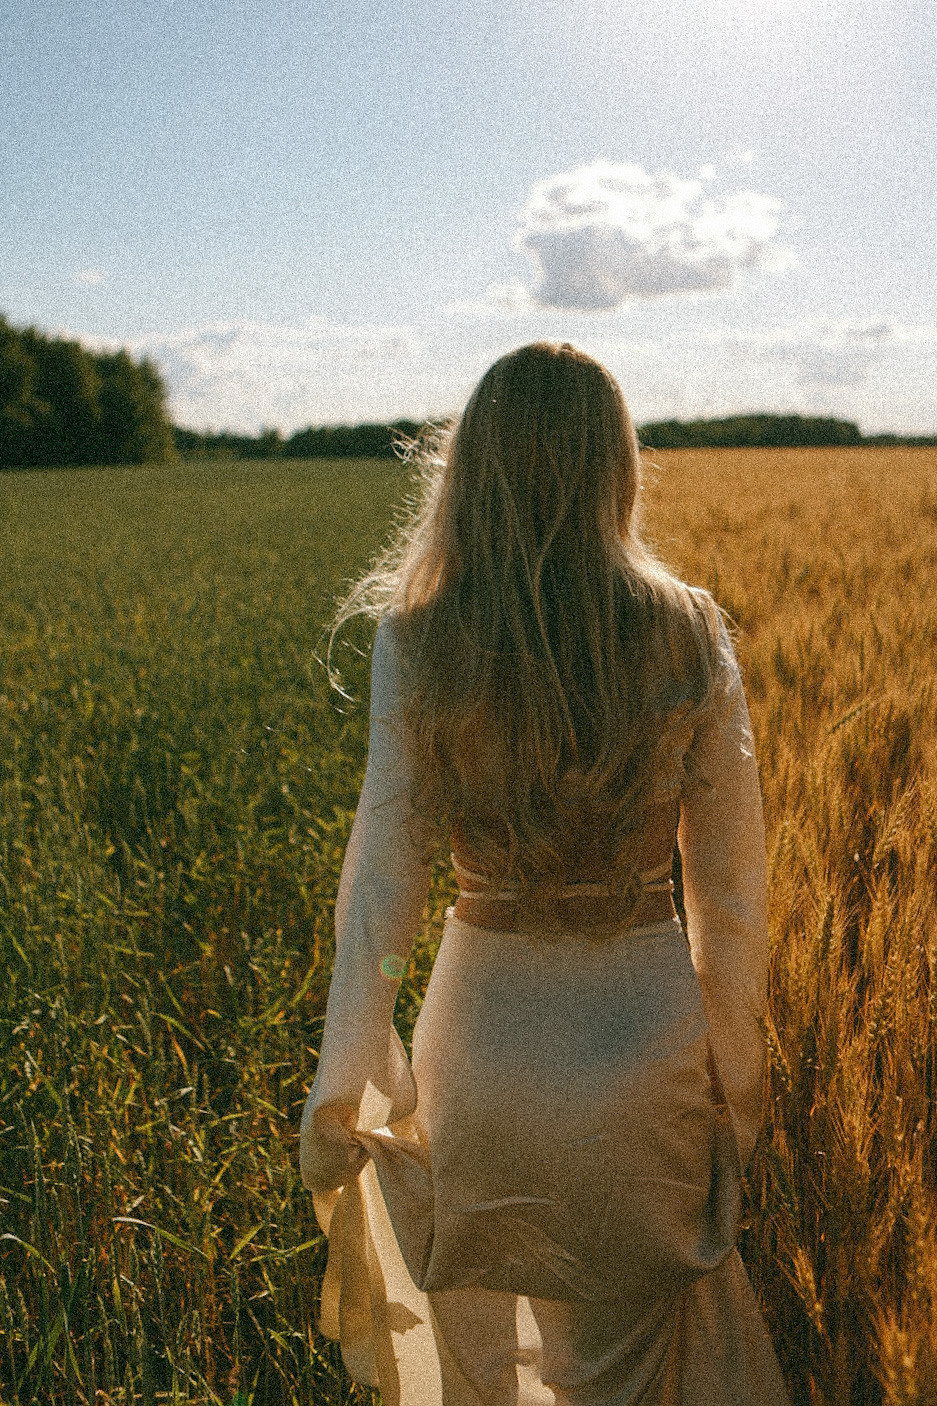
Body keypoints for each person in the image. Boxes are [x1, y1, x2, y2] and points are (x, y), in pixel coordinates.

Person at [299, 342, 791, 1405]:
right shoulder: (688, 629)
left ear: (471, 464)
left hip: (479, 1050)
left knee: (479, 1367)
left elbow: (385, 887)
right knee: (604, 1372)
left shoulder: (420, 638)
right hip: (642, 1052)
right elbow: (731, 898)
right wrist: (736, 1079)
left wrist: (346, 1075)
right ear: (616, 463)